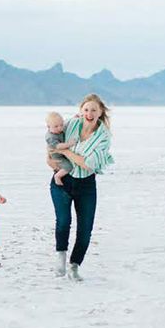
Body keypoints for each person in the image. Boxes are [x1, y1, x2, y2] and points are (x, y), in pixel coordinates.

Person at [46, 94, 115, 282]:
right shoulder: (70, 124)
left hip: (86, 184)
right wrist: (53, 157)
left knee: (85, 228)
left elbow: (87, 165)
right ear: (81, 111)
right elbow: (51, 142)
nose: (89, 113)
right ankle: (60, 256)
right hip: (62, 181)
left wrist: (64, 151)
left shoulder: (103, 137)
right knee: (63, 221)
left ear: (100, 112)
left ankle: (74, 266)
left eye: (94, 110)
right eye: (86, 109)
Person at [45, 111, 76, 186]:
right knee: (69, 167)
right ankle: (58, 176)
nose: (59, 128)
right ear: (48, 127)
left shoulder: (57, 131)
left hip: (61, 154)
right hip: (57, 157)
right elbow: (58, 147)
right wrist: (69, 144)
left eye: (61, 125)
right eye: (56, 126)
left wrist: (76, 117)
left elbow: (67, 123)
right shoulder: (51, 136)